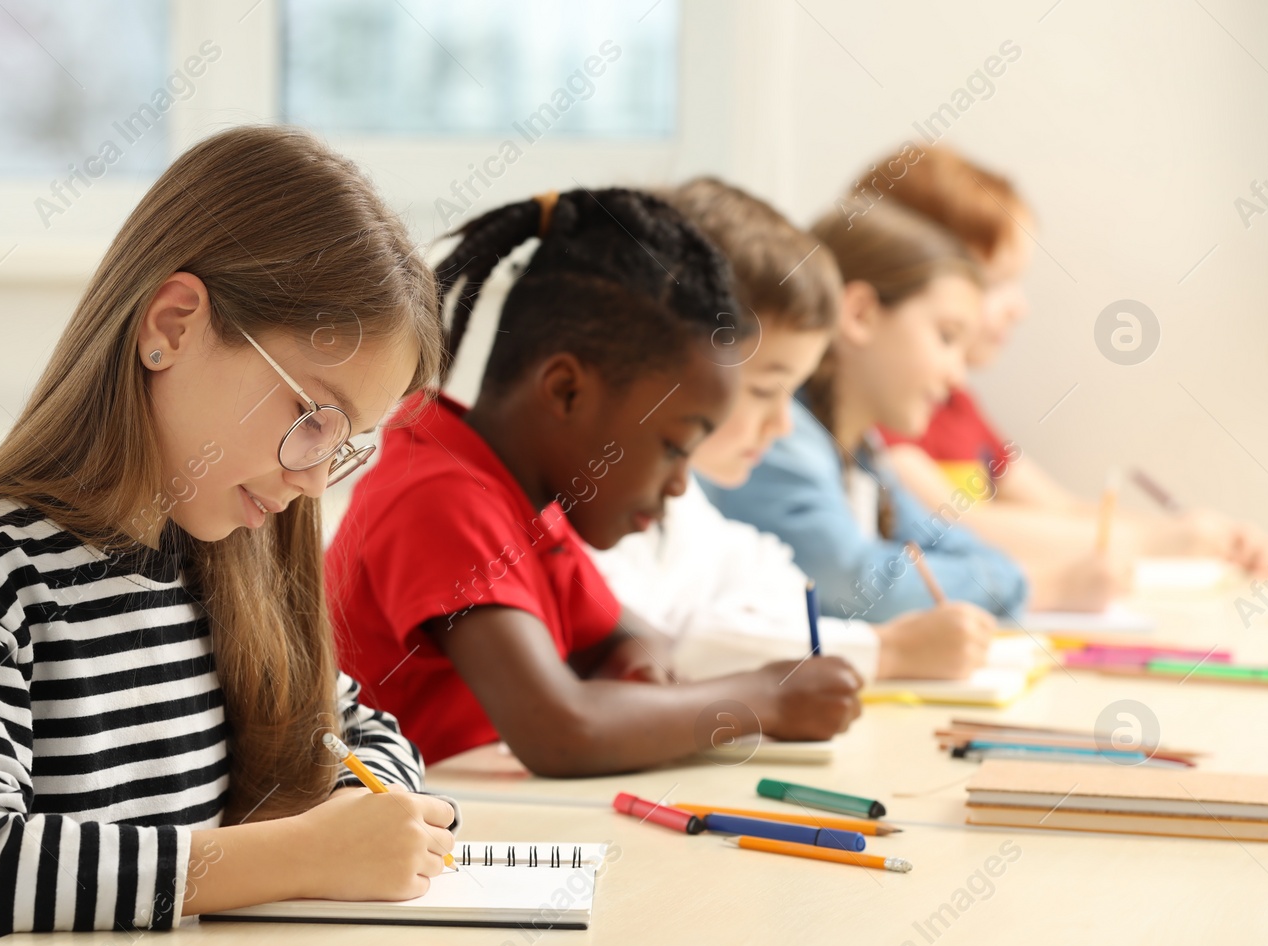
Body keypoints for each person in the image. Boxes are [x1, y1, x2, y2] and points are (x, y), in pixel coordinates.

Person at [0, 127, 457, 946]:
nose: (315, 482)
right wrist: (302, 855)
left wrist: (362, 810)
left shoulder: (225, 566)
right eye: (313, 416)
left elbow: (358, 730)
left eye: (344, 445)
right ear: (173, 326)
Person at [327, 188, 862, 775]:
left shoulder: (534, 505)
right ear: (566, 391)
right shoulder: (439, 495)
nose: (681, 485)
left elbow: (632, 639)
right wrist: (768, 698)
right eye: (674, 447)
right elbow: (563, 732)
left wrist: (635, 687)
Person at [589, 177, 994, 681]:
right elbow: (667, 645)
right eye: (763, 392)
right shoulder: (584, 508)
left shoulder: (683, 500)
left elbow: (772, 583)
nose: (782, 425)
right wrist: (883, 652)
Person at [864, 144, 1268, 582]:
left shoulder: (957, 405)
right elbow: (958, 527)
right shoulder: (888, 411)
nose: (1019, 307)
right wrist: (1157, 545)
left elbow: (1059, 508)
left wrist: (1201, 536)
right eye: (996, 284)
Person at [704, 198, 1031, 621]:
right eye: (947, 338)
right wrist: (1004, 581)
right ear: (859, 314)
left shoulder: (864, 452)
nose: (957, 379)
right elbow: (857, 586)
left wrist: (1000, 576)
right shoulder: (783, 438)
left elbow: (948, 543)